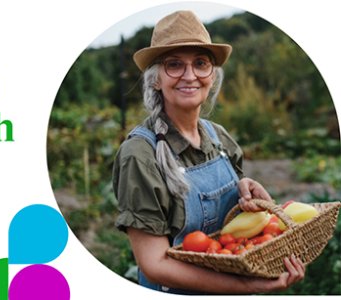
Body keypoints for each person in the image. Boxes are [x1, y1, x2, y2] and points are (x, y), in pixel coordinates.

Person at [112, 10, 305, 294]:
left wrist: (244, 191)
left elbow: (234, 229)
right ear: (155, 79)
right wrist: (245, 285)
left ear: (212, 76)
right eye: (174, 65)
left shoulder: (219, 138)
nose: (189, 76)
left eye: (200, 63)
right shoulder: (140, 154)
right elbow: (154, 264)